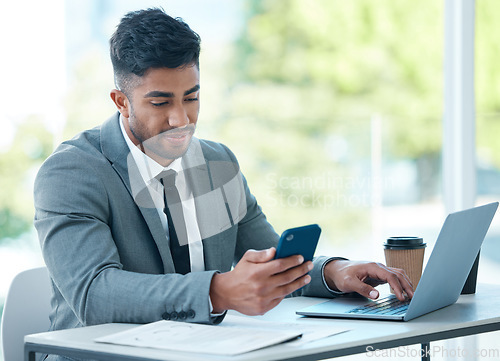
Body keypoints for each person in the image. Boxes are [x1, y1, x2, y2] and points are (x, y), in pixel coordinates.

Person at [34, 7, 413, 346]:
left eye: (192, 98)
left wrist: (335, 272)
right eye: (161, 102)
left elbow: (270, 261)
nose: (181, 119)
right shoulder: (73, 173)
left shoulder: (216, 165)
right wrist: (218, 291)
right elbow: (95, 295)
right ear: (121, 101)